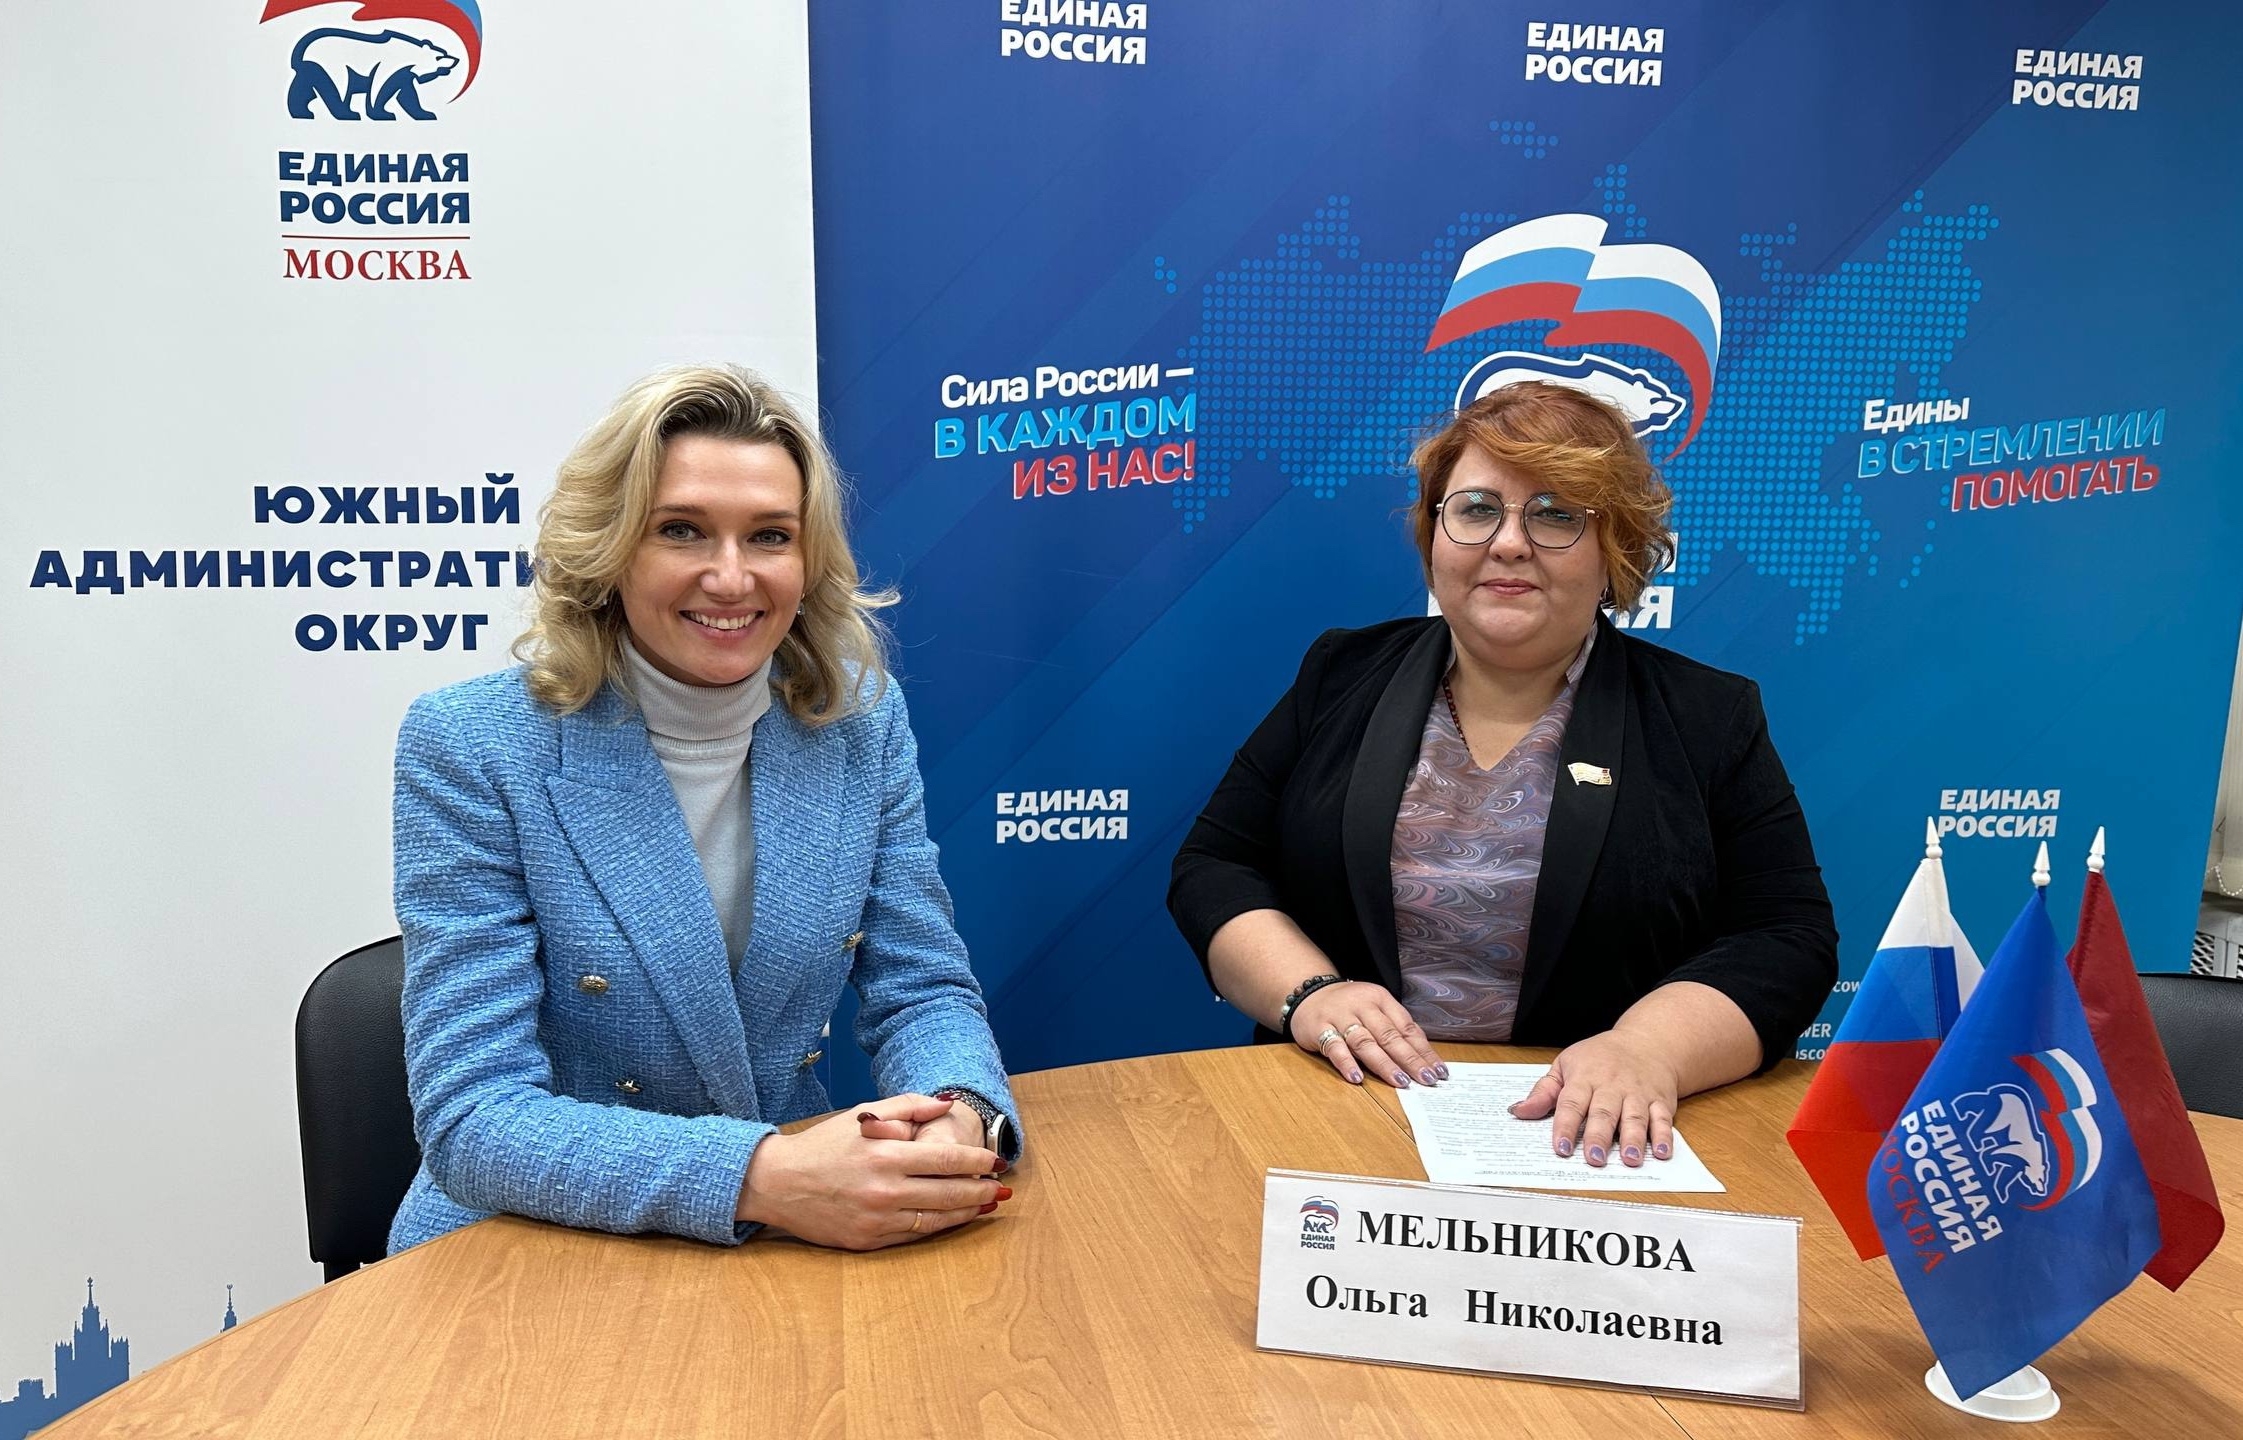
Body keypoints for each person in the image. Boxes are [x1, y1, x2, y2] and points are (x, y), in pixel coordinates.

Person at [389, 363, 1018, 1255]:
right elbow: (472, 1118)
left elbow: (921, 988)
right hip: (530, 1244)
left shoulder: (859, 722)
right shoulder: (471, 743)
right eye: (680, 530)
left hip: (791, 1232)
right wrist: (764, 1176)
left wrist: (959, 1113)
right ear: (610, 550)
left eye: (769, 536)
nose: (731, 577)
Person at [1168, 381, 1837, 1170]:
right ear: (1435, 535)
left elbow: (1785, 935)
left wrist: (1647, 1049)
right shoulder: (1339, 674)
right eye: (1477, 509)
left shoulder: (1706, 715)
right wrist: (1312, 995)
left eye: (1555, 514)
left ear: (1613, 547)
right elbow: (1216, 865)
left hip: (1590, 1139)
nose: (1508, 543)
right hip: (1341, 1111)